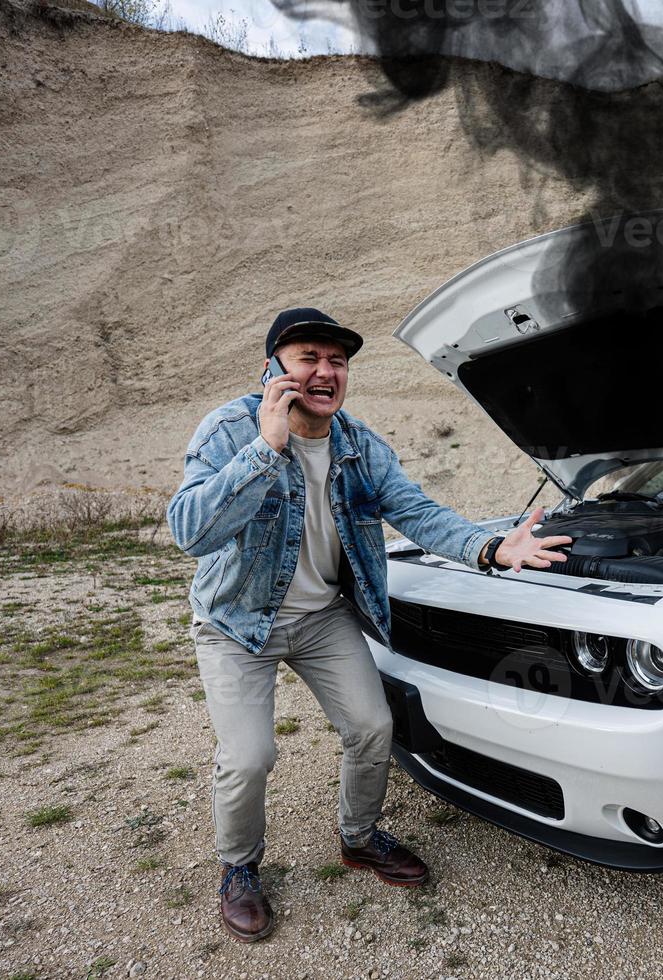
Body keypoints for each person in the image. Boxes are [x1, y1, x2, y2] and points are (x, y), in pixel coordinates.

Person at [167, 307, 571, 942]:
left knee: (373, 726)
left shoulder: (357, 443)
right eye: (309, 358)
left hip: (323, 615)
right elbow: (191, 531)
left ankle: (358, 838)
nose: (326, 373)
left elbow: (416, 510)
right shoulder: (228, 429)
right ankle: (239, 868)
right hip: (237, 623)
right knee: (249, 757)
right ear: (273, 368)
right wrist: (265, 449)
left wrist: (493, 548)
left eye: (338, 361)